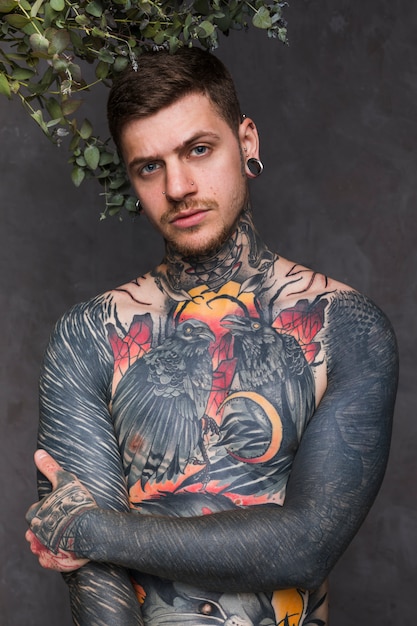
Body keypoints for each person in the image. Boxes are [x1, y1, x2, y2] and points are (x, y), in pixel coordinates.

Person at [25, 47, 398, 626]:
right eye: (149, 166)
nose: (178, 186)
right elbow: (95, 583)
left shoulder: (343, 327)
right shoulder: (91, 335)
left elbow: (305, 546)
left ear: (246, 142)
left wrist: (92, 529)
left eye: (198, 150)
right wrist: (87, 537)